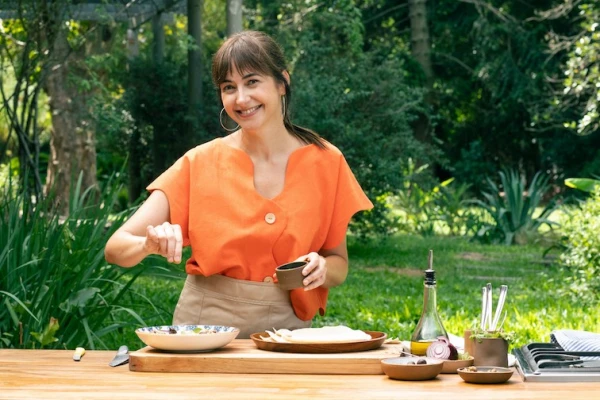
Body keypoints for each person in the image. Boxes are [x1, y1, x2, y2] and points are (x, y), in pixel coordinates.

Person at [104, 30, 373, 338]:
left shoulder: (327, 162)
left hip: (289, 336)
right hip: (205, 333)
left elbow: (339, 264)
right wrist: (147, 244)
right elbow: (115, 248)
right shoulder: (200, 162)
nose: (241, 99)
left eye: (252, 82)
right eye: (228, 87)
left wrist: (322, 269)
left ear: (282, 82)